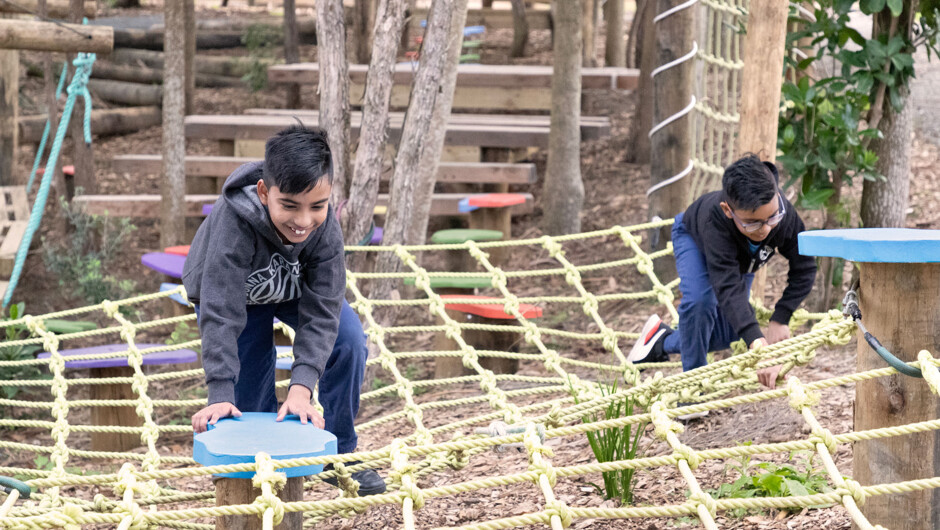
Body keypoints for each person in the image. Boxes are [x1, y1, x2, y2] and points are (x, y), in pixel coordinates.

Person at [183, 125, 386, 495]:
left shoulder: (324, 229)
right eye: (290, 206)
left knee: (350, 341)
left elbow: (324, 308)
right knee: (247, 398)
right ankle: (267, 463)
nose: (304, 221)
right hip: (236, 297)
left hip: (292, 289)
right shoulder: (234, 224)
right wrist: (219, 393)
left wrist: (302, 388)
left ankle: (337, 453)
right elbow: (220, 311)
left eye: (317, 206)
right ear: (264, 192)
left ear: (328, 196)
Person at [628, 154, 816, 403]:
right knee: (700, 303)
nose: (765, 229)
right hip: (694, 238)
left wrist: (781, 317)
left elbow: (805, 266)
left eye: (772, 218)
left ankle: (661, 340)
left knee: (733, 331)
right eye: (752, 223)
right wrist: (759, 345)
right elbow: (726, 286)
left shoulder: (784, 216)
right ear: (728, 210)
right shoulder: (714, 220)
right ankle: (692, 390)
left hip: (740, 261)